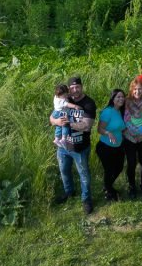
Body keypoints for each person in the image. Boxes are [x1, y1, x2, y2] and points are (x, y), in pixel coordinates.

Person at [49, 76, 97, 213]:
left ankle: (86, 199)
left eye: (77, 87)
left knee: (84, 174)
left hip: (79, 147)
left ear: (82, 87)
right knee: (64, 171)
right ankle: (69, 192)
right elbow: (52, 118)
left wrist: (68, 123)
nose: (75, 90)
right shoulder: (64, 98)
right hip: (63, 147)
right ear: (68, 89)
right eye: (72, 88)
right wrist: (57, 122)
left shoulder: (88, 103)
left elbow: (87, 126)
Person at [96, 88, 126, 202]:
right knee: (109, 170)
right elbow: (99, 129)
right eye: (118, 97)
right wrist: (108, 133)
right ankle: (109, 192)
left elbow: (122, 128)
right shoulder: (108, 112)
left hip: (118, 146)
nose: (121, 99)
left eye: (122, 97)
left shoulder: (121, 111)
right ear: (113, 99)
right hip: (105, 147)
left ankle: (107, 186)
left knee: (119, 168)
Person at [51, 82, 79, 149]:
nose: (66, 96)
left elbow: (64, 92)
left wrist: (67, 89)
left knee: (59, 126)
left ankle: (57, 138)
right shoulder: (62, 101)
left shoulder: (56, 97)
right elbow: (67, 104)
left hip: (55, 112)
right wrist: (75, 106)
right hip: (61, 113)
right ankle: (64, 138)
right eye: (65, 95)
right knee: (65, 125)